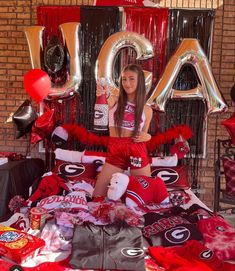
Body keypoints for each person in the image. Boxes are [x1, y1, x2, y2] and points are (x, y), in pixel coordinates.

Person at [92, 64, 153, 199]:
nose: (127, 83)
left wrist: (147, 136)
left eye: (131, 79)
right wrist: (103, 93)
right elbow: (107, 98)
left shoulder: (147, 110)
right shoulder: (115, 100)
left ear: (140, 82)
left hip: (137, 150)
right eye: (124, 79)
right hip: (116, 150)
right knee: (97, 195)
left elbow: (145, 135)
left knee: (144, 197)